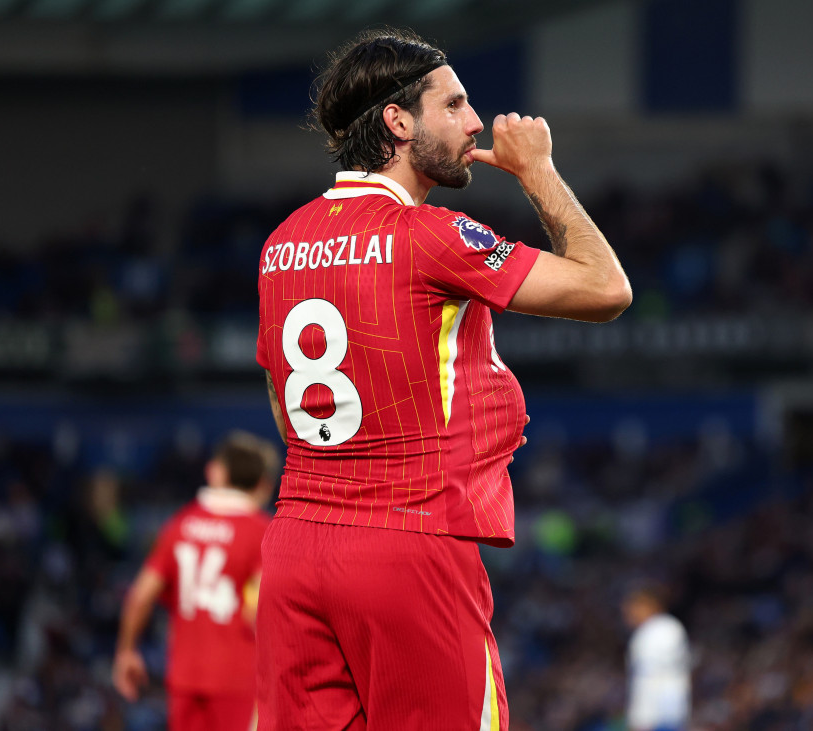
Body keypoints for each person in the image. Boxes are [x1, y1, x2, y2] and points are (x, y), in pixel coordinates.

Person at [254, 28, 631, 731]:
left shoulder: (282, 243)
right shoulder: (433, 235)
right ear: (398, 122)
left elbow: (281, 400)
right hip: (407, 541)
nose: (475, 122)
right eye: (453, 105)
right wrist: (537, 172)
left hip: (295, 544)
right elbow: (605, 288)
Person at [112, 432, 276, 731]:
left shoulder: (180, 524)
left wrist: (126, 650)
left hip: (185, 677)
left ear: (216, 472)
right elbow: (260, 612)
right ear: (262, 484)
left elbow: (140, 595)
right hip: (238, 679)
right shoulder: (262, 533)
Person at [621, 586, 691, 731]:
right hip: (668, 712)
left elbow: (651, 679)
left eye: (632, 609)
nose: (628, 615)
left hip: (658, 715)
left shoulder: (657, 631)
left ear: (648, 605)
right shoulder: (668, 628)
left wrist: (642, 718)